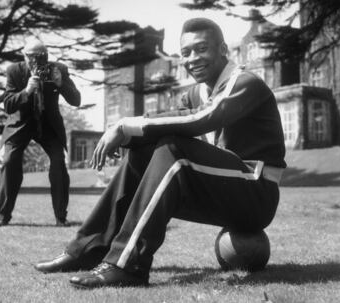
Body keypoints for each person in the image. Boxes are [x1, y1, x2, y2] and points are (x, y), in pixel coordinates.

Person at [34, 18, 286, 288]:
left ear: (223, 49)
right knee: (144, 153)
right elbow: (171, 121)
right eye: (186, 53)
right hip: (220, 188)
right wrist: (130, 140)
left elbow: (203, 118)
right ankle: (86, 249)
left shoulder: (246, 82)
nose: (192, 58)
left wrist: (125, 125)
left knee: (173, 150)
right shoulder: (194, 93)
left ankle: (127, 265)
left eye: (202, 49)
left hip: (256, 194)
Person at [0, 38, 81, 227]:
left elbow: (76, 100)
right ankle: (3, 216)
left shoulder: (58, 69)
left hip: (48, 125)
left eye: (41, 57)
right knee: (10, 161)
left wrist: (60, 83)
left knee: (58, 162)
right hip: (21, 124)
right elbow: (8, 105)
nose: (36, 62)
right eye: (31, 57)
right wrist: (26, 91)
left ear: (47, 55)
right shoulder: (14, 71)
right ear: (24, 56)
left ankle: (61, 217)